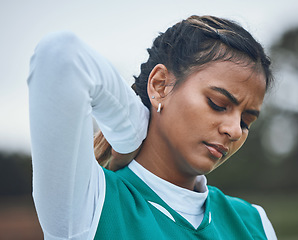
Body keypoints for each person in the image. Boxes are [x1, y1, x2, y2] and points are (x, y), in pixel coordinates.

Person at [28, 15, 277, 239]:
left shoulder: (255, 223)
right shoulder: (89, 205)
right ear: (160, 86)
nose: (234, 131)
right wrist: (129, 135)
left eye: (246, 122)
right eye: (218, 104)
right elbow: (61, 56)